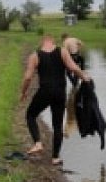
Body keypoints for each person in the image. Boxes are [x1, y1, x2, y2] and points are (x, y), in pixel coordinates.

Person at [21, 34, 90, 165]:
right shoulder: (62, 51)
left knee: (30, 115)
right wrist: (84, 77)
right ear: (53, 42)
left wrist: (23, 92)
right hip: (60, 92)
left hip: (44, 92)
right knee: (57, 125)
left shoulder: (35, 55)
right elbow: (74, 68)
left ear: (42, 43)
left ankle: (38, 143)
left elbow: (28, 77)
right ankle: (55, 158)